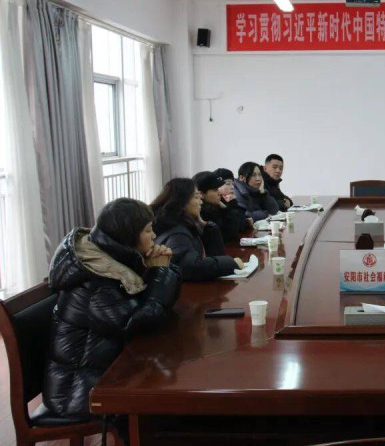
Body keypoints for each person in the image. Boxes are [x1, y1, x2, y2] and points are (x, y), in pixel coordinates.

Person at [43, 198, 181, 439]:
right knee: (171, 404)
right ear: (128, 237)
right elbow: (135, 324)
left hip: (103, 372)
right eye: (148, 230)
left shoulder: (112, 258)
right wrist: (159, 272)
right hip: (79, 391)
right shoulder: (96, 279)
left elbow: (140, 306)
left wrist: (156, 269)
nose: (154, 236)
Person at [152, 178, 244, 281]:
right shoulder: (177, 233)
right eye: (196, 197)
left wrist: (206, 226)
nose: (201, 202)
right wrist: (231, 263)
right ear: (182, 203)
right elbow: (191, 267)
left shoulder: (184, 225)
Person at [193, 171, 250, 241]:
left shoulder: (217, 205)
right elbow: (230, 234)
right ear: (201, 194)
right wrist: (229, 208)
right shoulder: (206, 213)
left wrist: (225, 208)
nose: (219, 192)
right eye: (215, 190)